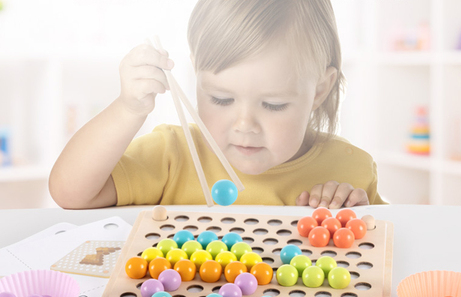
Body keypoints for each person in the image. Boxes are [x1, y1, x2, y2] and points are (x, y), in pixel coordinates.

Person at [49, 0, 386, 210]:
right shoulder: (173, 155)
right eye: (221, 99)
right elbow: (69, 192)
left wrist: (357, 212)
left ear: (319, 90)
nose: (244, 124)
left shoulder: (350, 169)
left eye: (273, 104)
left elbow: (391, 243)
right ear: (197, 75)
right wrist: (127, 108)